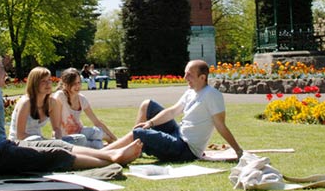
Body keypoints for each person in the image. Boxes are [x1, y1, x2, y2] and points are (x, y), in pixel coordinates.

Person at [0, 54, 142, 181]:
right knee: (56, 155)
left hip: (2, 148)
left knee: (60, 146)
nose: (6, 73)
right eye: (3, 69)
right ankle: (112, 159)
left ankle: (110, 155)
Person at [103, 59, 243, 162]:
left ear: (202, 77)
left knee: (139, 133)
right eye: (185, 73)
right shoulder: (191, 91)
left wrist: (238, 150)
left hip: (185, 149)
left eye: (189, 75)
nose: (185, 78)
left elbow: (221, 126)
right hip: (177, 133)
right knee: (147, 105)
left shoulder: (212, 95)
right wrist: (150, 123)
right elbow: (172, 112)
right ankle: (134, 148)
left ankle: (103, 154)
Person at [52, 68, 117, 149]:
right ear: (65, 84)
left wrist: (115, 139)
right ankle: (106, 144)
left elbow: (96, 122)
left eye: (79, 82)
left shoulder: (82, 99)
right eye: (73, 83)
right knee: (93, 141)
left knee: (97, 136)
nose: (77, 86)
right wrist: (57, 141)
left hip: (81, 132)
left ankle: (111, 141)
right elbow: (56, 125)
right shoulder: (60, 96)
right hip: (67, 138)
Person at [8, 67, 62, 141]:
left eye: (49, 80)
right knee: (36, 139)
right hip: (20, 144)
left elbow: (56, 128)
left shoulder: (52, 102)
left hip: (39, 142)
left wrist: (58, 140)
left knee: (79, 138)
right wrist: (45, 142)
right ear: (34, 83)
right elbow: (20, 135)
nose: (48, 83)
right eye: (43, 81)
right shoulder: (26, 103)